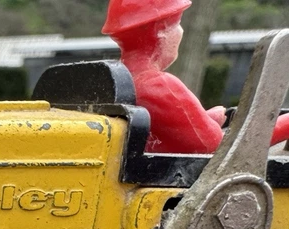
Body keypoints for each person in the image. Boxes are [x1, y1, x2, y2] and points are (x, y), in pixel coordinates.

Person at [103, 0, 289, 154]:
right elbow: (219, 149)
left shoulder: (115, 80)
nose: (181, 32)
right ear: (160, 30)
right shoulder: (158, 85)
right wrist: (286, 124)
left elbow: (159, 137)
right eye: (177, 24)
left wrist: (205, 120)